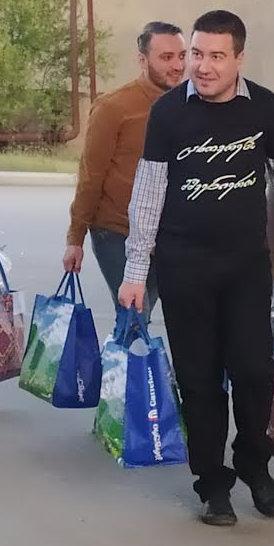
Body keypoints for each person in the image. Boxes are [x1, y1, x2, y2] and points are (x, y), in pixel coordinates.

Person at [118, 10, 274, 527]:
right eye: (196, 54)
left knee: (255, 372)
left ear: (239, 58)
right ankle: (213, 484)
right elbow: (148, 194)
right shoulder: (168, 113)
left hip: (245, 266)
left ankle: (254, 466)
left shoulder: (261, 107)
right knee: (199, 381)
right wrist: (135, 269)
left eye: (216, 56)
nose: (203, 66)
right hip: (183, 268)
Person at [63, 21, 186, 322]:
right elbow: (91, 176)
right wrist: (75, 238)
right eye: (166, 57)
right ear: (143, 60)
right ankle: (122, 353)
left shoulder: (191, 104)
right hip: (117, 231)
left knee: (138, 319)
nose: (177, 65)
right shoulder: (114, 107)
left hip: (169, 235)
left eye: (182, 56)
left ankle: (121, 353)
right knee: (135, 314)